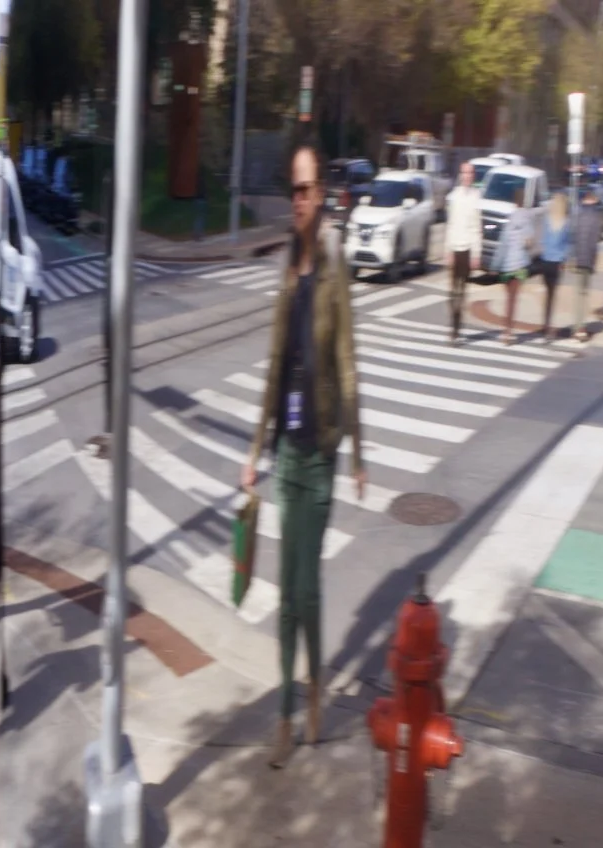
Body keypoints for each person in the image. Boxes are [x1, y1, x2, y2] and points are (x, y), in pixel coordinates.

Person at [241, 144, 366, 769]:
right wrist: (254, 451)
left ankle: (314, 687)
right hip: (287, 454)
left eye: (306, 189)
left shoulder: (333, 273)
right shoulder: (288, 271)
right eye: (292, 189)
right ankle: (288, 715)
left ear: (321, 197)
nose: (297, 199)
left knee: (307, 590)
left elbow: (346, 362)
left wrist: (359, 450)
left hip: (320, 454)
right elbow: (275, 369)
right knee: (285, 595)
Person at [444, 161, 483, 345]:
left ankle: (456, 330)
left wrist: (476, 254)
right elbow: (450, 225)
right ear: (461, 175)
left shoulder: (476, 197)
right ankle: (454, 326)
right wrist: (447, 250)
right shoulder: (454, 196)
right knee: (453, 292)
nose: (467, 176)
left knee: (461, 290)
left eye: (470, 173)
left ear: (473, 176)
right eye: (465, 173)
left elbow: (477, 227)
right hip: (454, 247)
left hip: (467, 249)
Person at [495, 184, 535, 345]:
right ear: (524, 201)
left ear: (514, 202)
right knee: (514, 299)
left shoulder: (510, 220)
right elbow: (529, 242)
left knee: (508, 299)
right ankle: (509, 332)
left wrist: (495, 265)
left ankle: (505, 331)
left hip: (507, 266)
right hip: (520, 266)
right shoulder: (527, 219)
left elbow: (503, 245)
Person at [536, 190, 572, 342]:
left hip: (546, 260)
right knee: (552, 294)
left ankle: (545, 324)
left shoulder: (547, 219)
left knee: (547, 292)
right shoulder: (566, 222)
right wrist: (565, 260)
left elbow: (543, 239)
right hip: (557, 262)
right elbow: (567, 244)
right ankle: (548, 326)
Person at [571, 186, 603, 342]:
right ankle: (581, 329)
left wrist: (571, 257)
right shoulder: (597, 217)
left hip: (577, 258)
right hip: (588, 259)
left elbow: (572, 237)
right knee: (584, 294)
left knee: (578, 294)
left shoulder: (576, 215)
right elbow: (594, 242)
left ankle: (577, 327)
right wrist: (593, 261)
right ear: (593, 200)